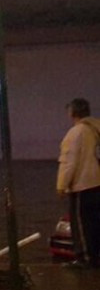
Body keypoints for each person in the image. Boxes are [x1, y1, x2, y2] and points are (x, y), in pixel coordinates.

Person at [57, 98, 100, 268]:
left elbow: (69, 162)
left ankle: (84, 258)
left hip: (82, 185)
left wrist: (61, 185)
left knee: (80, 223)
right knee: (94, 221)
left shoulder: (76, 133)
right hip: (96, 183)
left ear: (72, 113)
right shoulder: (95, 129)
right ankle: (95, 255)